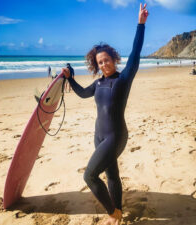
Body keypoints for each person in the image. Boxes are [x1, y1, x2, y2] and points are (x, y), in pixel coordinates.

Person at [60, 3, 148, 225]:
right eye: (100, 62)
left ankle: (113, 213)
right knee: (111, 176)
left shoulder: (123, 78)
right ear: (96, 65)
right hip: (99, 136)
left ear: (113, 59)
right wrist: (69, 77)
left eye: (106, 60)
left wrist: (140, 25)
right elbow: (81, 94)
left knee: (89, 176)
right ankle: (118, 209)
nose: (104, 64)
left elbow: (136, 53)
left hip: (115, 136)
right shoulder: (98, 83)